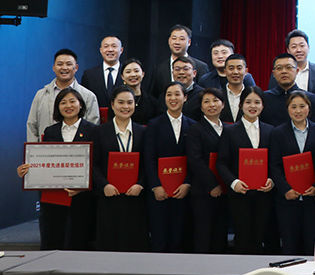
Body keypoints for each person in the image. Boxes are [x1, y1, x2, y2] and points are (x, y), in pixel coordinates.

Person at [18, 87, 98, 250]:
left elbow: (97, 163)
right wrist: (28, 171)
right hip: (54, 196)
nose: (68, 106)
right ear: (58, 108)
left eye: (72, 101)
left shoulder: (93, 130)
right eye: (63, 102)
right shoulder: (50, 131)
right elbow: (45, 161)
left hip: (82, 198)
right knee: (53, 238)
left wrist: (82, 187)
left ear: (81, 105)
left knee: (79, 240)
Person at [217, 86, 275, 254]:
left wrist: (272, 180)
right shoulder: (229, 131)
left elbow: (275, 162)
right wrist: (234, 183)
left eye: (257, 102)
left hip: (264, 194)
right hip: (239, 194)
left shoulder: (270, 131)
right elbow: (221, 162)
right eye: (248, 102)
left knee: (261, 234)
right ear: (241, 105)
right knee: (243, 235)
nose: (253, 106)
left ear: (263, 106)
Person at [92, 86, 148, 251]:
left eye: (130, 102)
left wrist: (140, 184)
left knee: (135, 240)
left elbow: (148, 163)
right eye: (121, 102)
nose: (125, 107)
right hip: (109, 195)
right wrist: (104, 185)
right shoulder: (99, 131)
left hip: (135, 195)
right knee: (109, 239)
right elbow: (93, 163)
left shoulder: (143, 131)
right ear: (112, 104)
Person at [269, 90, 315, 255]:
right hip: (287, 200)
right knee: (289, 244)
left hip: (311, 200)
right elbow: (274, 165)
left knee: (312, 244)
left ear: (309, 108)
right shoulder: (278, 132)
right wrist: (285, 189)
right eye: (293, 107)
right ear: (287, 109)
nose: (298, 111)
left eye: (302, 106)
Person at [144, 81, 196, 252]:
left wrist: (187, 183)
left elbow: (194, 159)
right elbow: (149, 158)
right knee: (159, 236)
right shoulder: (154, 124)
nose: (173, 98)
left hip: (183, 191)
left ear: (185, 97)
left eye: (177, 94)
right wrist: (156, 186)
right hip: (160, 192)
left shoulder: (193, 125)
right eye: (169, 94)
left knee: (180, 236)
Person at [186, 87, 229, 253]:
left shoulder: (228, 128)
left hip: (226, 189)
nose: (212, 105)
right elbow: (195, 160)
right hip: (204, 191)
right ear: (201, 107)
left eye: (216, 100)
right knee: (204, 233)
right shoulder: (195, 129)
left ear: (223, 104)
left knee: (220, 233)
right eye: (206, 101)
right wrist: (213, 185)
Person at [27, 48, 100, 142]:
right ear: (54, 67)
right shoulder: (41, 95)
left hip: (79, 149)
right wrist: (34, 149)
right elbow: (32, 126)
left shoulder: (88, 96)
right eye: (60, 64)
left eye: (69, 64)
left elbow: (93, 129)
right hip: (46, 149)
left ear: (76, 67)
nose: (64, 68)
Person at [150, 25, 210, 98]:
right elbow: (154, 96)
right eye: (174, 38)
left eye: (182, 39)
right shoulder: (159, 69)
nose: (177, 42)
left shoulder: (200, 67)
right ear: (169, 41)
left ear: (189, 42)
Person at [261, 53, 315, 126]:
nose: (284, 71)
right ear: (274, 73)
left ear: (297, 71)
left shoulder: (309, 98)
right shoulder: (265, 98)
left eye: (288, 67)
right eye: (279, 68)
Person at [267, 29, 315, 96]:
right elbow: (272, 95)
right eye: (294, 47)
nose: (298, 50)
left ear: (308, 48)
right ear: (288, 50)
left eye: (302, 46)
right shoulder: (280, 71)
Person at [80, 35, 124, 109]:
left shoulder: (128, 74)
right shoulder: (89, 74)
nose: (110, 49)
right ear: (101, 50)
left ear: (121, 50)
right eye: (106, 46)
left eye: (114, 46)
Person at [120, 58, 157, 124]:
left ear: (143, 74)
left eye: (136, 71)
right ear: (122, 76)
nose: (133, 75)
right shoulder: (117, 100)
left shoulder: (152, 102)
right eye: (128, 72)